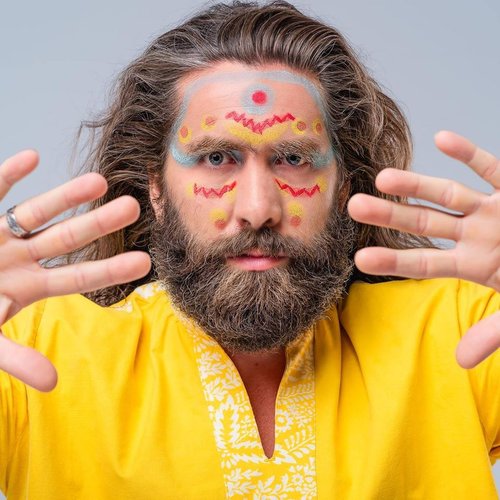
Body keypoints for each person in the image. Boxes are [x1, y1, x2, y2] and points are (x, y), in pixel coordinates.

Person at [0, 1, 498, 498]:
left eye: (294, 158)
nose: (258, 209)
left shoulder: (463, 331)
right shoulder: (32, 349)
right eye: (217, 158)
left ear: (343, 185)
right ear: (156, 188)